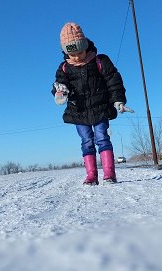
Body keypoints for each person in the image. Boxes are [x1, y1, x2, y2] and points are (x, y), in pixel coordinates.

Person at [52, 22, 133, 185]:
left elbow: (114, 80)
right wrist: (59, 92)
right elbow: (58, 85)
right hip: (79, 111)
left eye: (79, 52)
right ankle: (91, 176)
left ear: (85, 45)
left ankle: (109, 174)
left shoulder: (100, 61)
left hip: (100, 108)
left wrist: (118, 100)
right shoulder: (64, 68)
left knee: (102, 138)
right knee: (86, 141)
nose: (76, 57)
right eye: (71, 54)